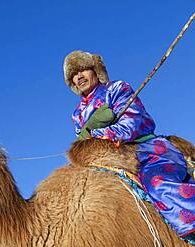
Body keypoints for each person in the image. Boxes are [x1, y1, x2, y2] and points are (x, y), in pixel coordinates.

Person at [63, 50, 195, 240]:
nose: (79, 76)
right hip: (105, 159)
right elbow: (82, 143)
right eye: (74, 75)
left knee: (157, 183)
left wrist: (99, 134)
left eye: (83, 69)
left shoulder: (117, 88)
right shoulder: (77, 114)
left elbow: (131, 122)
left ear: (95, 70)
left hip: (142, 149)